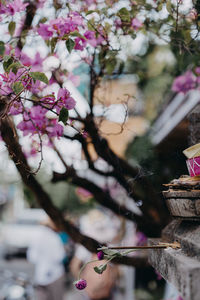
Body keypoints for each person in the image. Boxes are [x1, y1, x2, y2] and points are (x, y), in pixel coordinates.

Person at [27, 218, 66, 300]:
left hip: (40, 274)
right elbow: (59, 256)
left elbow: (32, 257)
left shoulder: (36, 235)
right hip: (55, 274)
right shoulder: (54, 237)